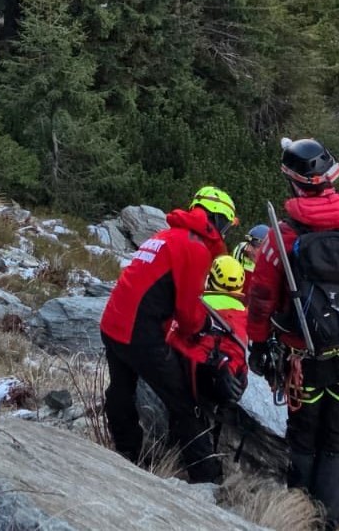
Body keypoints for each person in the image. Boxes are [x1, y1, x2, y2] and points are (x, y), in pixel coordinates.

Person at [246, 138, 339, 531]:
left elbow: (261, 297)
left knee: (303, 433)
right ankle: (331, 519)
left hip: (303, 360)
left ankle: (298, 513)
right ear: (331, 179)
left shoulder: (283, 239)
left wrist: (259, 344)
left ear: (294, 183)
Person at [99, 185, 238, 483]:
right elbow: (188, 313)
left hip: (113, 324)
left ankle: (127, 455)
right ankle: (206, 479)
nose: (225, 232)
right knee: (185, 402)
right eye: (225, 224)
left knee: (120, 392)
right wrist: (204, 330)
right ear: (215, 219)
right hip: (141, 334)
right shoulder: (195, 247)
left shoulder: (164, 236)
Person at [167, 255, 249, 411]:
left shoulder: (199, 307)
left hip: (199, 379)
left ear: (210, 278)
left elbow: (174, 337)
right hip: (233, 383)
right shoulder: (244, 315)